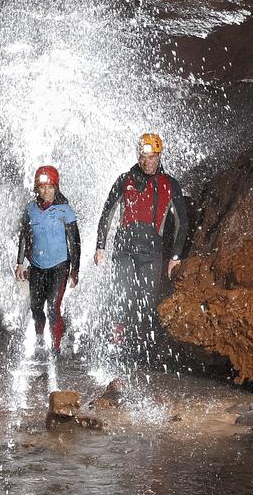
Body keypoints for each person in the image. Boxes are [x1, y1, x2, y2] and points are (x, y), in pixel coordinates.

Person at [93, 133, 189, 347]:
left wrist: (175, 257)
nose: (147, 162)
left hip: (151, 251)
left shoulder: (170, 184)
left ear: (159, 156)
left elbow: (182, 223)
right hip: (124, 249)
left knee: (147, 302)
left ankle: (141, 345)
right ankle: (116, 342)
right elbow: (107, 213)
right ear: (138, 156)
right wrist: (100, 247)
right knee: (122, 294)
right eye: (143, 157)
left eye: (152, 157)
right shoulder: (124, 180)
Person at [15, 164, 80, 353]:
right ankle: (39, 339)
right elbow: (24, 236)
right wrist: (20, 263)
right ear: (37, 188)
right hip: (37, 266)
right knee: (36, 307)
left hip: (59, 266)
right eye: (42, 187)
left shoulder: (65, 210)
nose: (46, 191)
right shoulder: (30, 209)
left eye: (50, 187)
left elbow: (75, 241)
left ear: (56, 187)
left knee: (52, 307)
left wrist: (75, 269)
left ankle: (56, 347)